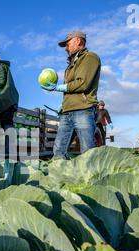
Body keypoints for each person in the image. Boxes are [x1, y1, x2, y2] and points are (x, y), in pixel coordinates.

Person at [41, 31, 101, 159]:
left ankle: (91, 177)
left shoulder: (90, 58)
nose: (66, 48)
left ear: (78, 41)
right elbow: (69, 91)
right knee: (58, 150)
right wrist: (64, 105)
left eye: (67, 44)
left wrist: (58, 87)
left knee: (87, 150)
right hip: (67, 112)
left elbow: (83, 83)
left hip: (83, 110)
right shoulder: (70, 66)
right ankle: (58, 177)